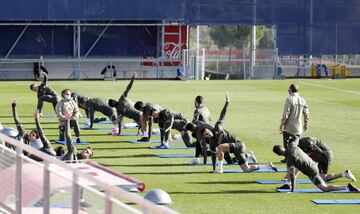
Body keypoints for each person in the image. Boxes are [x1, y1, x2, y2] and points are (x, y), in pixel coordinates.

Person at [201, 93, 276, 173]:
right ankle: (266, 165)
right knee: (247, 170)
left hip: (239, 144)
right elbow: (214, 155)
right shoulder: (212, 142)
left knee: (220, 147)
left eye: (208, 131)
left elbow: (222, 115)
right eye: (207, 134)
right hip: (236, 151)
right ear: (205, 136)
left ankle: (219, 169)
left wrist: (227, 102)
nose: (209, 133)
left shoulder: (217, 127)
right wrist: (213, 168)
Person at [276, 134, 359, 192]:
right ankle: (344, 175)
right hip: (313, 165)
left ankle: (347, 187)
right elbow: (295, 136)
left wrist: (292, 188)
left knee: (325, 187)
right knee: (322, 177)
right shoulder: (294, 147)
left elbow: (293, 171)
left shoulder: (302, 146)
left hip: (323, 157)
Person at [279, 83, 309, 163]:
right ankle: (296, 158)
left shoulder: (289, 99)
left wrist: (281, 125)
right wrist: (306, 123)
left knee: (286, 143)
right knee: (296, 144)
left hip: (288, 127)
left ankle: (288, 158)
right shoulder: (302, 100)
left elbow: (286, 114)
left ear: (290, 90)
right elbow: (306, 113)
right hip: (298, 127)